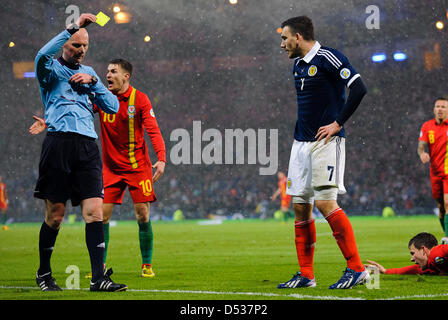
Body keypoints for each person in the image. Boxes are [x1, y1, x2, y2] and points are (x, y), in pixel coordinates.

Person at [30, 59, 166, 278]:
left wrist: (161, 158)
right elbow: (75, 110)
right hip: (111, 168)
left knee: (142, 214)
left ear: (126, 76)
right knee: (101, 216)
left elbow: (153, 129)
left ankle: (146, 264)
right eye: (107, 72)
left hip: (137, 167)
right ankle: (99, 267)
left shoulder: (139, 99)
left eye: (113, 72)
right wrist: (48, 121)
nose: (108, 75)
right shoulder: (101, 99)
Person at [33, 13, 126, 292]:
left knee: (95, 212)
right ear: (65, 44)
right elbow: (40, 55)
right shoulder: (50, 71)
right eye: (76, 45)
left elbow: (114, 107)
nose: (81, 50)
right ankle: (44, 274)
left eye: (85, 46)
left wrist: (94, 83)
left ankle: (98, 278)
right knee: (56, 215)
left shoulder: (91, 75)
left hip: (87, 146)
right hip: (59, 144)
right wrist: (74, 28)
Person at [277, 16, 368, 290]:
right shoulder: (297, 66)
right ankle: (306, 275)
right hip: (300, 145)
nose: (282, 44)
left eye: (285, 38)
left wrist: (338, 123)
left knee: (325, 203)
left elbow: (359, 88)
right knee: (300, 208)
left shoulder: (329, 57)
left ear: (299, 37)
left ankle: (357, 268)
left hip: (326, 143)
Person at [418, 97, 448, 244]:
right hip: (435, 172)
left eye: (443, 106)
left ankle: (447, 238)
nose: (440, 109)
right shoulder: (427, 126)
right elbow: (421, 145)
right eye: (438, 106)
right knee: (441, 207)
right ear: (434, 109)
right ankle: (446, 232)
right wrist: (422, 153)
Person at [365, 232, 448, 275]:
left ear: (423, 250)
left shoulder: (436, 253)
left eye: (413, 253)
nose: (411, 259)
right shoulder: (427, 267)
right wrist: (384, 271)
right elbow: (405, 270)